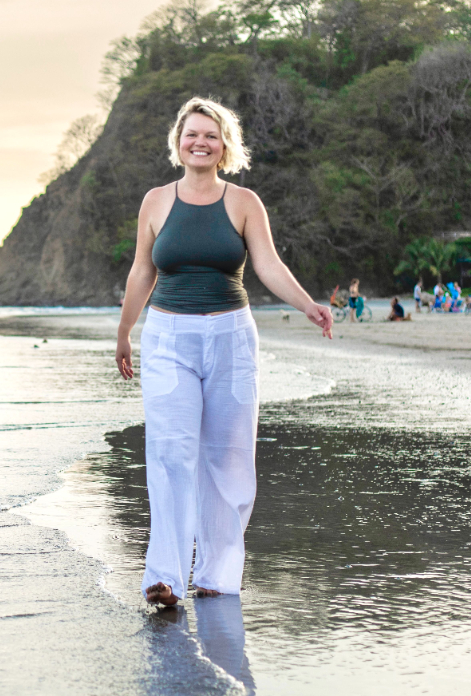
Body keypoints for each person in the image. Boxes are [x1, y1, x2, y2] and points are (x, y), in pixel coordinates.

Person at [114, 97, 333, 607]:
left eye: (211, 135)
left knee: (229, 459)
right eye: (192, 134)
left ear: (224, 146)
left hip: (232, 338)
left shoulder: (243, 202)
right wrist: (125, 331)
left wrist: (307, 305)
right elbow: (142, 272)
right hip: (167, 339)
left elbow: (268, 265)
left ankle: (216, 577)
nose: (200, 142)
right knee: (170, 454)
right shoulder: (155, 202)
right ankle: (162, 577)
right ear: (178, 141)